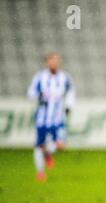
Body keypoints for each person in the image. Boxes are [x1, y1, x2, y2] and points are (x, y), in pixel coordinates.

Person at [27, 52, 75, 182]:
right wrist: (38, 95)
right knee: (38, 146)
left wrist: (69, 106)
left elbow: (71, 92)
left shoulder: (65, 78)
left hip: (58, 118)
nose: (53, 63)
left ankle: (47, 152)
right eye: (51, 61)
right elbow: (30, 93)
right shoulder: (40, 77)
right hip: (42, 119)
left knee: (61, 145)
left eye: (55, 61)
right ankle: (40, 173)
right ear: (47, 62)